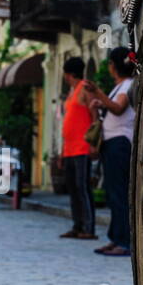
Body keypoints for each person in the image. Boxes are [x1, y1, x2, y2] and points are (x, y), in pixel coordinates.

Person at [84, 47, 136, 255]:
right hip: (111, 143)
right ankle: (115, 237)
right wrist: (97, 104)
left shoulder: (128, 86)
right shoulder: (119, 86)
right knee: (112, 194)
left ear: (113, 66)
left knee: (119, 193)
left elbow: (118, 108)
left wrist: (98, 93)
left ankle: (124, 241)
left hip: (120, 143)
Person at [59, 55, 98, 240]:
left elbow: (94, 115)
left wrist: (93, 143)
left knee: (82, 188)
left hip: (82, 147)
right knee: (73, 188)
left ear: (69, 74)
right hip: (69, 148)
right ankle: (77, 225)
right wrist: (61, 151)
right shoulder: (71, 91)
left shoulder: (85, 88)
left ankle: (89, 228)